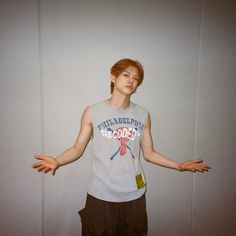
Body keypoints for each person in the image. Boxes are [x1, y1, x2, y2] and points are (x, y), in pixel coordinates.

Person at [32, 58, 210, 236]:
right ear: (113, 77)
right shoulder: (93, 111)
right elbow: (78, 148)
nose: (131, 80)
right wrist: (57, 161)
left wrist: (179, 166)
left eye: (136, 78)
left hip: (134, 195)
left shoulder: (143, 114)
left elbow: (149, 153)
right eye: (126, 75)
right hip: (100, 195)